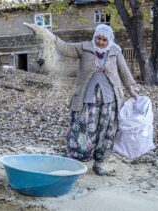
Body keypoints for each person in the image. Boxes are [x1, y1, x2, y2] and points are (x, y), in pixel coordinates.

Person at [24, 23, 138, 176]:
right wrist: (45, 33)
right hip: (87, 99)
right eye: (99, 38)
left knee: (106, 131)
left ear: (109, 39)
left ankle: (99, 165)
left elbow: (124, 72)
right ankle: (76, 164)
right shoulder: (84, 48)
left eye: (105, 39)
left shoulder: (115, 50)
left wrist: (131, 90)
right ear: (95, 36)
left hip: (109, 100)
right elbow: (64, 47)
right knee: (83, 129)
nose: (101, 42)